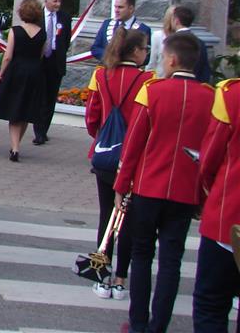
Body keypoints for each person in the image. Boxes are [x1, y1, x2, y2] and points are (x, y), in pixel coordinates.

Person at [113, 31, 215, 333]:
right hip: (185, 189)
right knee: (171, 261)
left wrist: (122, 184)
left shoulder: (152, 91)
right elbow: (210, 151)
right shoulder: (210, 97)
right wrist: (204, 195)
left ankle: (138, 323)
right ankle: (159, 326)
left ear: (171, 59)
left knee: (142, 255)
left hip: (149, 186)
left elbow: (133, 143)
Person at [83, 29, 152, 300]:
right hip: (135, 157)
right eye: (145, 49)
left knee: (106, 214)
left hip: (105, 154)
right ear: (135, 52)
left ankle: (102, 275)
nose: (146, 53)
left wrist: (102, 136)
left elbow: (91, 116)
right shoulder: (148, 80)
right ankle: (121, 279)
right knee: (128, 218)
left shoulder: (101, 75)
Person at [193, 76, 240, 331]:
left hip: (228, 216)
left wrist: (211, 193)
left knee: (211, 304)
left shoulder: (232, 94)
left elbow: (209, 160)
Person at [0, 0, 46, 161]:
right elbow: (41, 55)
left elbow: (8, 56)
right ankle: (16, 145)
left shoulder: (15, 31)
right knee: (26, 110)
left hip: (17, 71)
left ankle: (15, 148)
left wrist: (1, 74)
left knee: (14, 109)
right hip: (35, 72)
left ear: (22, 12)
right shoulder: (42, 33)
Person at [32, 0, 73, 145]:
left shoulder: (64, 17)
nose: (58, 4)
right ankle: (38, 132)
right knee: (40, 97)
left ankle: (44, 130)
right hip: (40, 61)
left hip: (55, 61)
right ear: (46, 2)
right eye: (55, 1)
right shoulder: (37, 16)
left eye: (59, 1)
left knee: (50, 98)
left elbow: (66, 40)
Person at [91, 0, 152, 65]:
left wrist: (125, 59)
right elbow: (95, 48)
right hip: (108, 69)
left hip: (130, 70)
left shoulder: (143, 29)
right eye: (115, 7)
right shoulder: (106, 24)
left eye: (120, 7)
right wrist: (111, 56)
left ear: (131, 8)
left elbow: (147, 57)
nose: (116, 10)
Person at [168, 5, 212, 83]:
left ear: (176, 21)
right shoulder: (200, 42)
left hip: (174, 84)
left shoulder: (172, 42)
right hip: (196, 86)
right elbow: (205, 71)